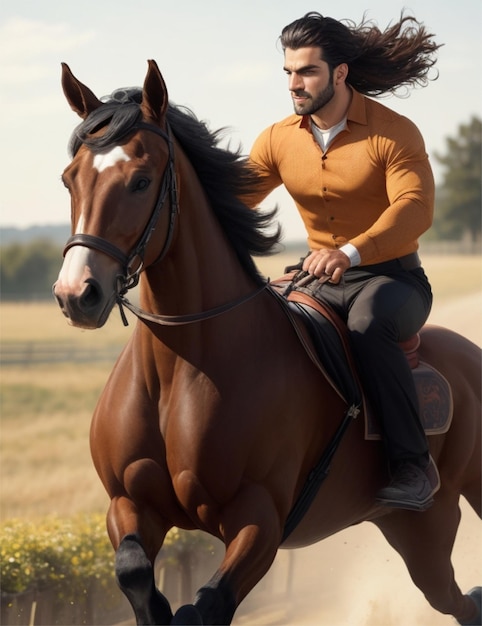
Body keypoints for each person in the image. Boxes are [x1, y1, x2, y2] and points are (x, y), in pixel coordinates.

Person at [247, 12, 443, 511]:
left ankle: (414, 465)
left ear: (339, 73)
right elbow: (231, 201)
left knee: (366, 324)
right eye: (288, 72)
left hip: (393, 281)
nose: (295, 84)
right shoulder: (276, 138)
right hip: (315, 277)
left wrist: (351, 251)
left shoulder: (394, 132)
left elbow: (415, 209)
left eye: (307, 71)